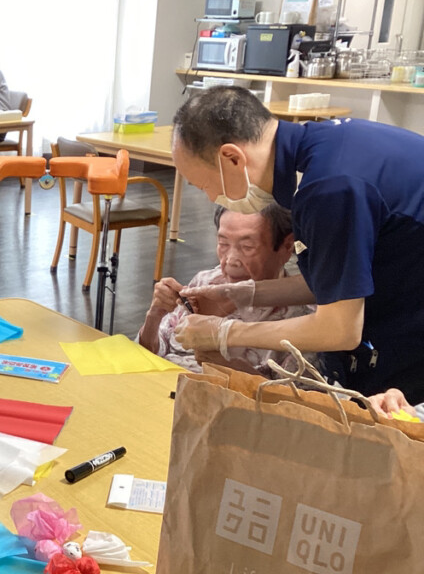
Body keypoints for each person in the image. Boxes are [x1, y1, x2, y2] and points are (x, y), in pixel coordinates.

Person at [169, 86, 424, 400]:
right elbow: (334, 282)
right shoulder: (320, 150)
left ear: (232, 158)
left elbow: (340, 329)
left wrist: (224, 333)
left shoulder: (328, 189)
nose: (210, 197)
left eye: (203, 184)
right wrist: (239, 294)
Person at [137, 204, 312, 376]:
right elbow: (148, 352)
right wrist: (154, 315)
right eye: (223, 244)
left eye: (247, 247)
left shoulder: (303, 319)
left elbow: (293, 393)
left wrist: (227, 366)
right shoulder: (206, 282)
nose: (231, 260)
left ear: (287, 246)